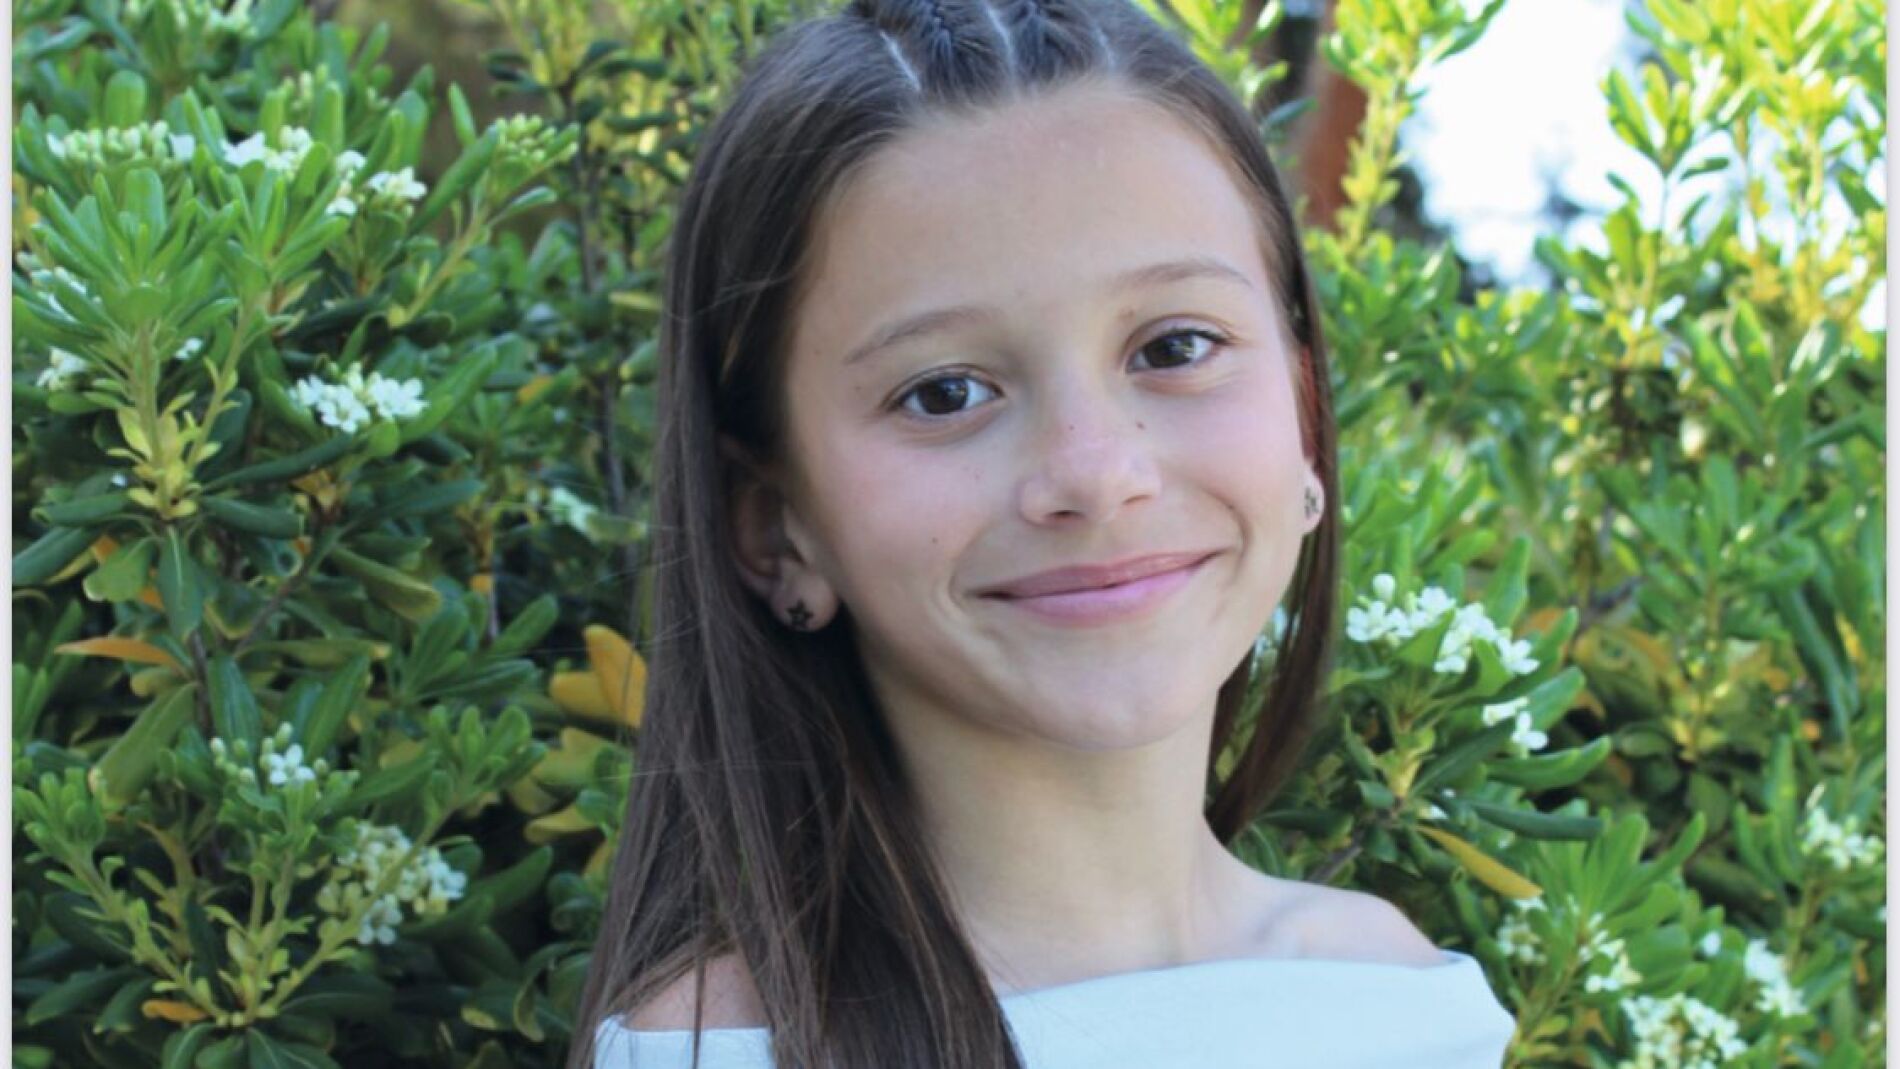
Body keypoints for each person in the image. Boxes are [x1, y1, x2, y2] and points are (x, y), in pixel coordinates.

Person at [571, 0, 1518, 1065]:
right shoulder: (718, 1050)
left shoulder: (1411, 1001)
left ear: (1303, 418)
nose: (1096, 474)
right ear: (775, 526)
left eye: (1175, 346)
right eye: (944, 392)